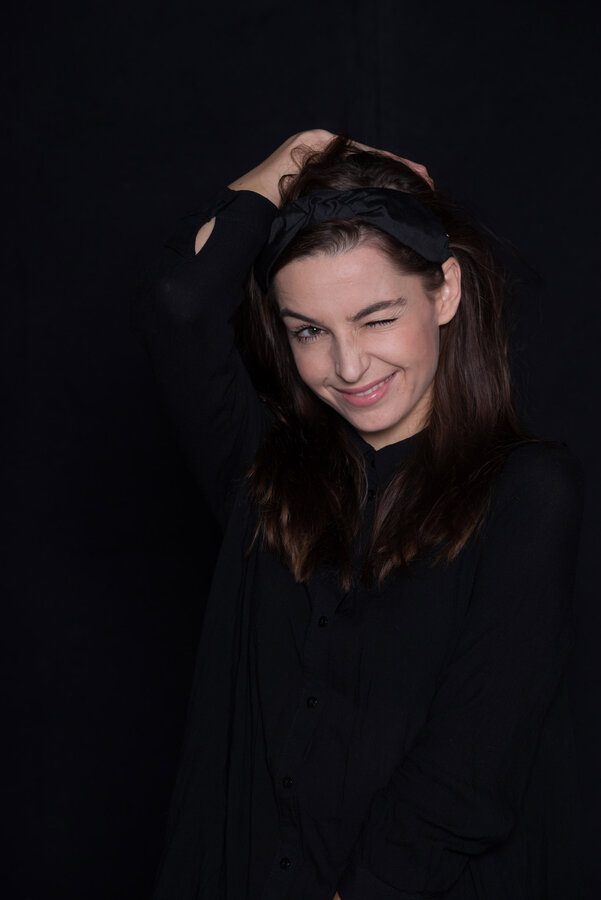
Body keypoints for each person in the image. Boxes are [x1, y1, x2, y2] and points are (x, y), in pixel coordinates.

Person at [133, 130, 583, 899]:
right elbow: (180, 301)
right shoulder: (262, 470)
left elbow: (473, 761)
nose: (346, 366)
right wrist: (298, 155)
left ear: (444, 291)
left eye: (375, 318)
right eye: (309, 331)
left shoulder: (526, 491)